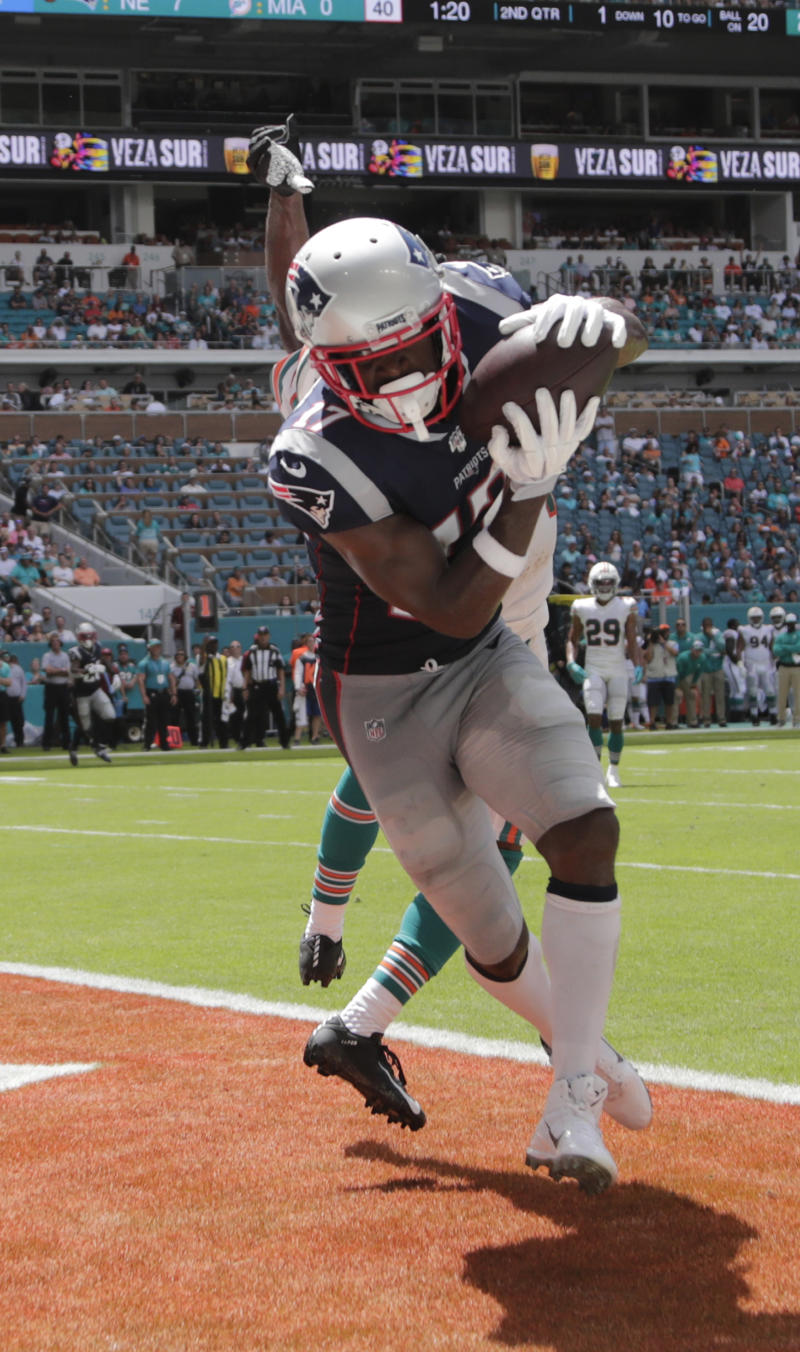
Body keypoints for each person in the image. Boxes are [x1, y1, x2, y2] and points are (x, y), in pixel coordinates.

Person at [255, 127, 647, 1188]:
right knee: (487, 918)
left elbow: (614, 336)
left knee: (578, 825)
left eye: (424, 342)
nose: (421, 374)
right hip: (392, 670)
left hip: (491, 635)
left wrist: (602, 320)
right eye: (380, 365)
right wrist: (524, 485)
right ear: (330, 367)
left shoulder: (470, 304)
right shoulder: (312, 451)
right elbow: (437, 600)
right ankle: (590, 1052)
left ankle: (573, 1094)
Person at [564, 561, 639, 789]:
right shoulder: (581, 606)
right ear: (592, 584)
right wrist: (570, 662)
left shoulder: (627, 605)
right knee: (594, 718)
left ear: (615, 583)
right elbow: (572, 639)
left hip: (617, 668)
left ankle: (613, 770)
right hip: (593, 667)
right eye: (600, 582)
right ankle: (595, 770)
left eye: (609, 582)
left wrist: (637, 663)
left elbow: (632, 638)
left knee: (617, 721)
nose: (605, 586)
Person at [67, 621, 114, 764]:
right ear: (79, 637)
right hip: (81, 695)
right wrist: (87, 670)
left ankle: (98, 745)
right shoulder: (75, 652)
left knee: (109, 715)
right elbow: (74, 669)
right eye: (84, 636)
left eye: (90, 636)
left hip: (95, 689)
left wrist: (114, 674)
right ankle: (75, 748)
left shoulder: (98, 647)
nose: (88, 639)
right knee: (84, 726)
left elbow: (104, 662)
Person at [240, 625, 290, 749]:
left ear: (268, 636)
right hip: (257, 686)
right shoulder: (252, 651)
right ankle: (245, 742)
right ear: (258, 636)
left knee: (278, 714)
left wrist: (282, 687)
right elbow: (247, 671)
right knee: (251, 714)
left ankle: (284, 741)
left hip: (271, 685)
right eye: (261, 635)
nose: (263, 638)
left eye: (265, 635)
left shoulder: (274, 650)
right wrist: (245, 687)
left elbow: (280, 671)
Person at [737, 605, 776, 726]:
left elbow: (772, 647)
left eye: (758, 617)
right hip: (751, 663)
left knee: (770, 690)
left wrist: (776, 661)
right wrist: (740, 663)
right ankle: (754, 715)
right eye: (753, 618)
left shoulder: (769, 629)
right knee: (753, 691)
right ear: (749, 618)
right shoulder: (744, 630)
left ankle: (773, 714)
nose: (756, 620)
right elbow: (739, 648)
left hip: (766, 663)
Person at [137, 637, 176, 751]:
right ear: (150, 648)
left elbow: (171, 678)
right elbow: (141, 680)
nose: (157, 649)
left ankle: (164, 743)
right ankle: (147, 744)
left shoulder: (165, 662)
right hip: (152, 692)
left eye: (158, 646)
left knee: (164, 719)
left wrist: (173, 694)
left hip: (163, 692)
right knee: (151, 721)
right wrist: (144, 695)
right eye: (154, 647)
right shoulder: (144, 663)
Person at [641, 621, 679, 730]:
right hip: (654, 676)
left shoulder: (672, 643)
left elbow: (675, 653)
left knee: (669, 702)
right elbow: (647, 658)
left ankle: (669, 722)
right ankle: (652, 722)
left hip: (669, 676)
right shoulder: (651, 645)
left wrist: (664, 643)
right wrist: (651, 643)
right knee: (653, 702)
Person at [772, 612, 800, 726]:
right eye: (788, 624)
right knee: (782, 694)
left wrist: (785, 648)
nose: (790, 626)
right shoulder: (781, 636)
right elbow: (776, 650)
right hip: (784, 666)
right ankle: (781, 718)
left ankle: (797, 719)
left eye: (792, 624)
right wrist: (791, 648)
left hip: (796, 667)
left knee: (798, 694)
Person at [40, 631, 73, 752]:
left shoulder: (65, 656)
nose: (55, 644)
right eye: (53, 642)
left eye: (57, 641)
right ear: (50, 644)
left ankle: (66, 743)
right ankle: (46, 743)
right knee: (49, 716)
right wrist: (60, 671)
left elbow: (68, 672)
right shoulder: (47, 656)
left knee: (64, 716)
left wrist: (56, 671)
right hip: (51, 687)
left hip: (63, 687)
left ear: (60, 643)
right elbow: (47, 671)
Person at [199, 636, 229, 749]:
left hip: (221, 693)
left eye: (215, 643)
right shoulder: (206, 657)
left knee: (222, 720)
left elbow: (227, 676)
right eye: (211, 644)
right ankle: (205, 742)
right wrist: (203, 646)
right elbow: (201, 660)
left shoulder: (223, 658)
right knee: (207, 719)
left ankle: (223, 742)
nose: (214, 646)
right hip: (209, 694)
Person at [697, 617, 727, 728]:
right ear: (703, 626)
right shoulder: (699, 637)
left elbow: (723, 648)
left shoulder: (718, 635)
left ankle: (721, 718)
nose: (708, 628)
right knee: (706, 695)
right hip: (706, 669)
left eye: (710, 625)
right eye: (706, 626)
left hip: (718, 668)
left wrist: (713, 637)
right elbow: (700, 651)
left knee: (720, 695)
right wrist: (714, 652)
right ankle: (706, 719)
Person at [170, 647, 200, 745]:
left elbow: (197, 679)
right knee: (174, 717)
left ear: (185, 657)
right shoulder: (172, 667)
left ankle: (194, 741)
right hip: (177, 693)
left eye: (181, 655)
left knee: (191, 717)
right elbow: (171, 682)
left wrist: (197, 690)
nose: (179, 657)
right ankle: (175, 740)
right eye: (178, 655)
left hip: (189, 693)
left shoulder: (192, 666)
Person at [2, 648, 27, 748]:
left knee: (18, 721)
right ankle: (3, 743)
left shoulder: (17, 668)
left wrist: (22, 694)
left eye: (7, 656)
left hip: (16, 698)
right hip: (5, 697)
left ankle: (19, 741)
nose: (6, 658)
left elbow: (23, 683)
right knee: (4, 720)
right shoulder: (2, 669)